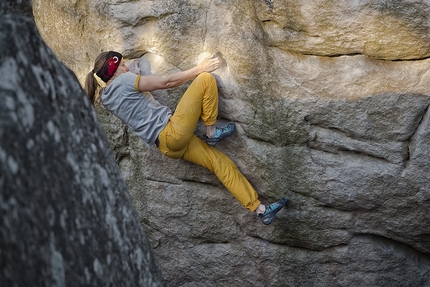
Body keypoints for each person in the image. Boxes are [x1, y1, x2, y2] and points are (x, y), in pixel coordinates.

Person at [84, 51, 287, 225]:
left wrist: (132, 70)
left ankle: (260, 210)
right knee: (205, 79)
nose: (127, 67)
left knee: (220, 162)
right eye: (123, 64)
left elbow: (133, 94)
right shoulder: (124, 80)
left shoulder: (106, 98)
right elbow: (166, 82)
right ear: (113, 68)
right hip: (172, 131)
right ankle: (211, 132)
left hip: (167, 147)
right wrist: (201, 67)